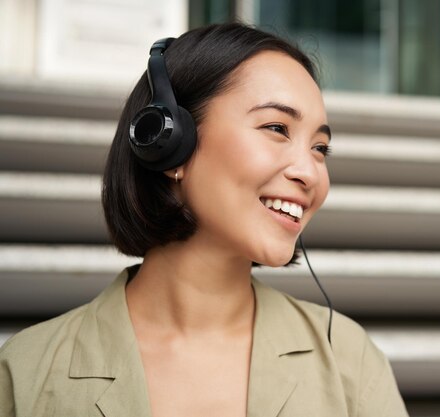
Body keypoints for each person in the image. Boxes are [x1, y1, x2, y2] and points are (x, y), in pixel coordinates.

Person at [0, 23, 408, 417]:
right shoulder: (27, 371)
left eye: (320, 148)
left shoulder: (349, 362)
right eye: (277, 128)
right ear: (169, 142)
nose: (310, 172)